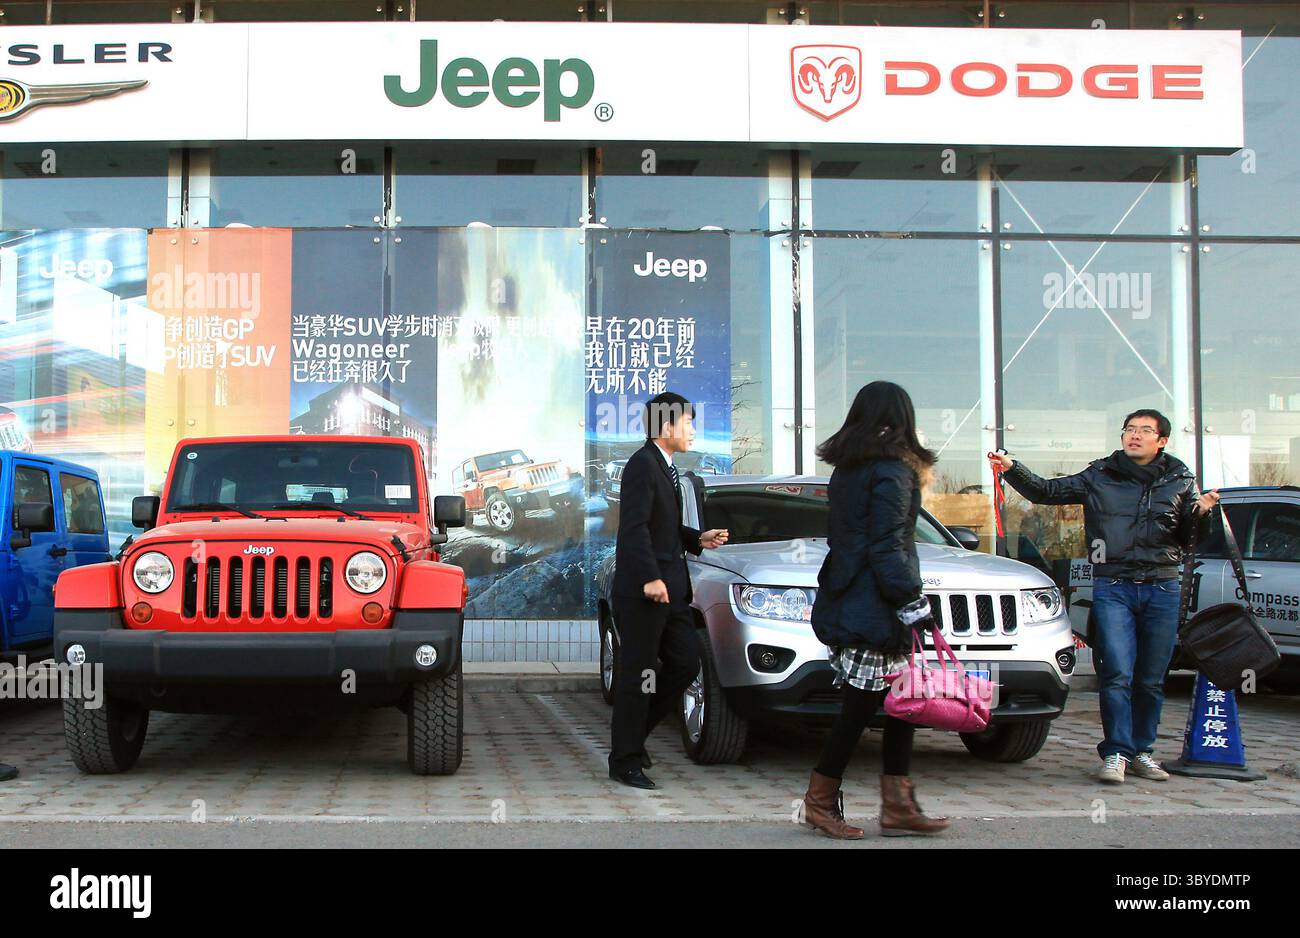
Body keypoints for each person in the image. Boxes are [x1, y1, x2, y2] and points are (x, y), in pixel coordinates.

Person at [988, 409, 1219, 784]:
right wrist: (1013, 468)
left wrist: (1204, 513)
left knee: (1151, 677)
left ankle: (1142, 751)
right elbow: (1047, 492)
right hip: (1114, 586)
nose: (1135, 435)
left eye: (1145, 431)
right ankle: (1115, 753)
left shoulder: (1180, 480)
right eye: (1130, 429)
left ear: (1161, 441)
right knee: (1116, 672)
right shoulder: (1100, 475)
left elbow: (1192, 537)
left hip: (1163, 585)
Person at [803, 381, 949, 839]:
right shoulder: (893, 470)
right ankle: (819, 802)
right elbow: (889, 545)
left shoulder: (849, 469)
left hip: (853, 597)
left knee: (904, 705)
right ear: (900, 418)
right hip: (878, 606)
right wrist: (912, 603)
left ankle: (898, 806)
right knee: (861, 707)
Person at [608, 391, 729, 789]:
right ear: (666, 426)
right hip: (646, 593)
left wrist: (697, 539)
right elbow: (634, 528)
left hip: (673, 591)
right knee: (639, 674)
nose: (693, 430)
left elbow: (661, 527)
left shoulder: (667, 467)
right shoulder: (642, 466)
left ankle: (635, 737)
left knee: (685, 663)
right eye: (688, 423)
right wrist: (649, 577)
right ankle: (624, 760)